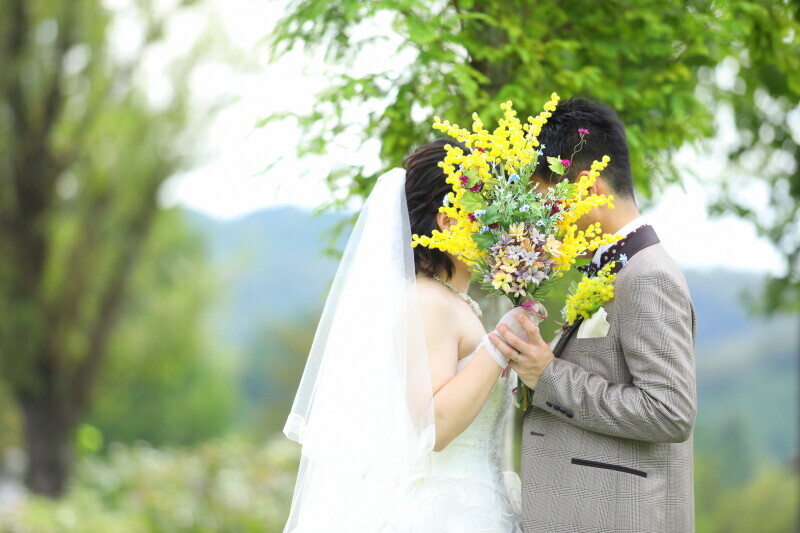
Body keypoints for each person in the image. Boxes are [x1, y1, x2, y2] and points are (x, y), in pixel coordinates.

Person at [282, 139, 522, 532]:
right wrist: (499, 346)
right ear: (448, 222)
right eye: (487, 213)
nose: (499, 227)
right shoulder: (429, 303)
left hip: (475, 502)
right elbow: (434, 426)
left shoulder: (454, 302)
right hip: (445, 512)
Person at [488, 97, 697, 533]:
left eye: (551, 205)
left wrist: (549, 376)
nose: (548, 224)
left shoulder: (646, 275)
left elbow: (670, 411)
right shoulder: (615, 268)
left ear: (587, 187)